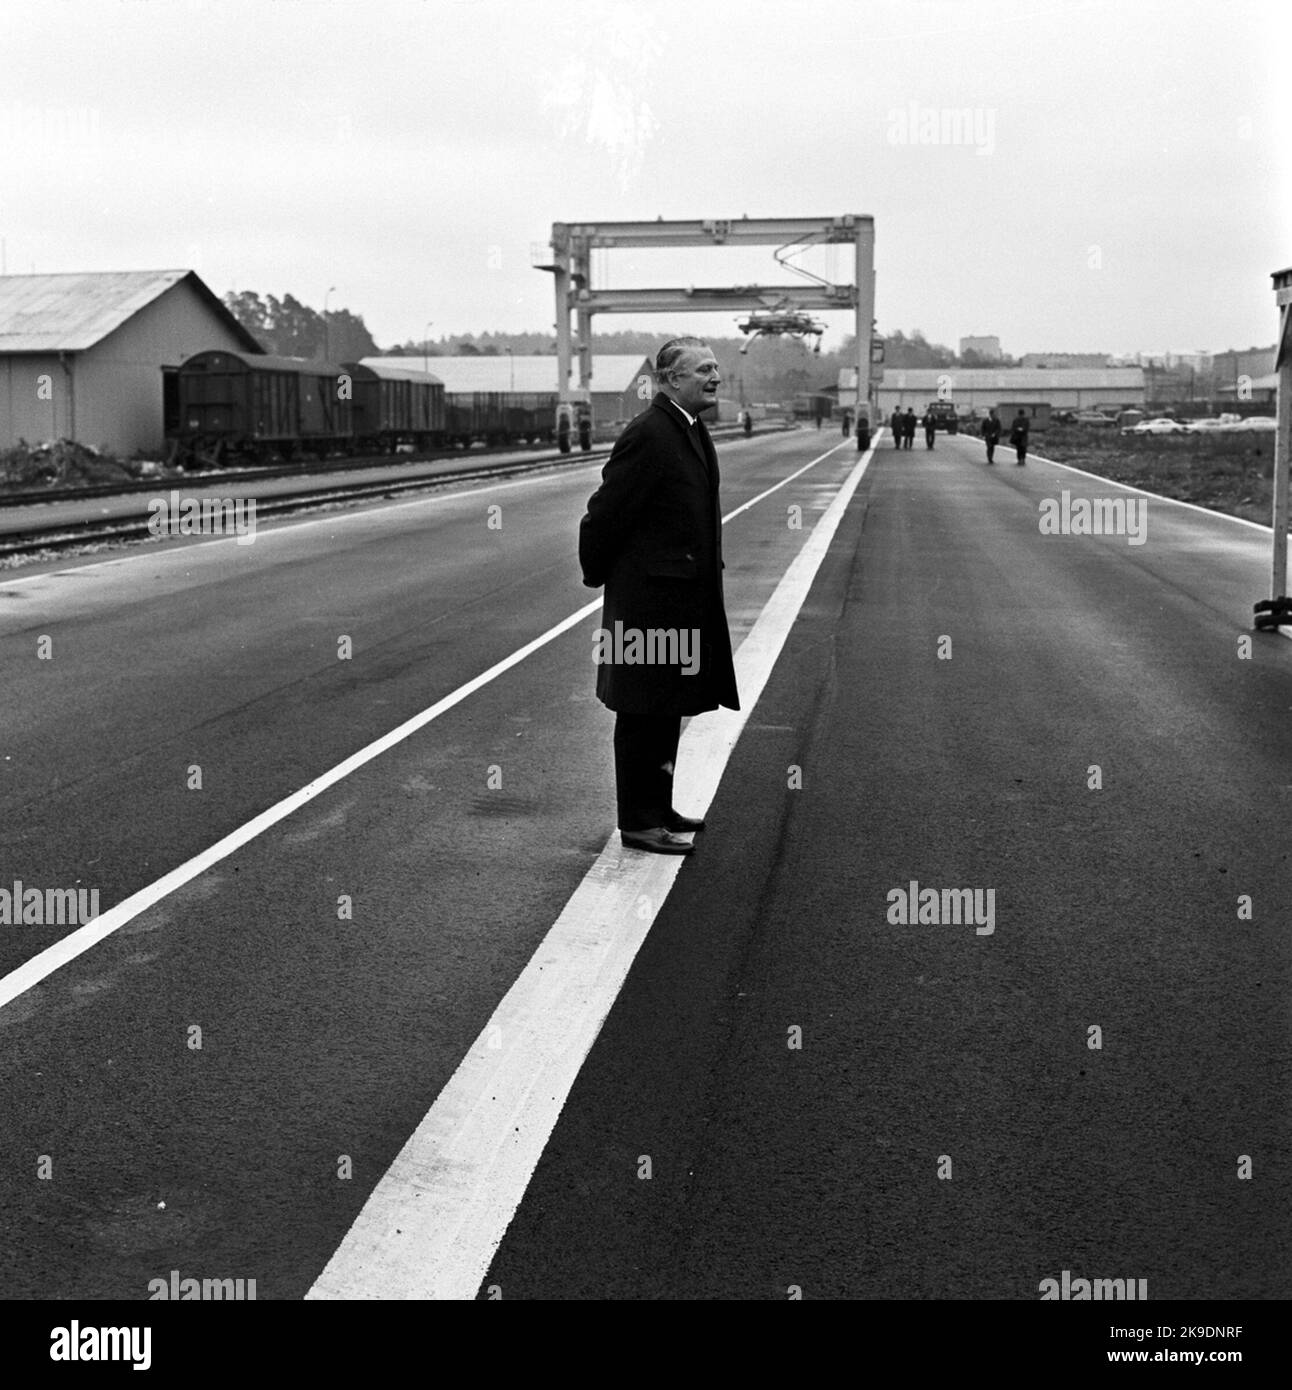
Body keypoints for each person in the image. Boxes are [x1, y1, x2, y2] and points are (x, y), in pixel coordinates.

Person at [578, 336, 739, 856]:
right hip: (649, 605)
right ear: (671, 380)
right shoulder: (651, 433)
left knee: (666, 707)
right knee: (643, 710)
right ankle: (640, 823)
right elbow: (604, 513)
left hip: (676, 600)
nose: (714, 377)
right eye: (702, 371)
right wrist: (602, 576)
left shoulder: (686, 429)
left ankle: (658, 806)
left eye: (715, 368)